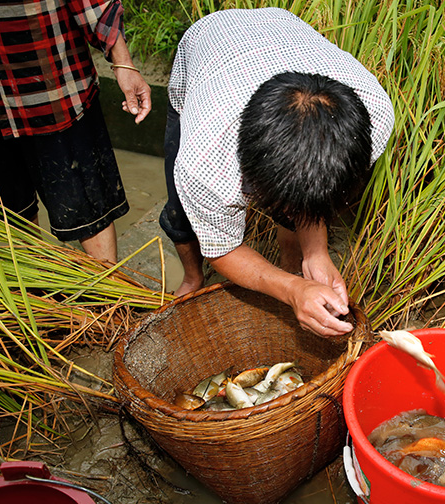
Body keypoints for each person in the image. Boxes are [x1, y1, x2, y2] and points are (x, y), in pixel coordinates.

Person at [159, 8, 394, 337]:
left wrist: (317, 254)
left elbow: (310, 195)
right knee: (179, 214)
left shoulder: (375, 117)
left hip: (279, 27)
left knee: (300, 202)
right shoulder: (204, 160)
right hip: (210, 44)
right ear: (249, 169)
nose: (294, 213)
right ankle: (192, 277)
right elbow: (223, 249)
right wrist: (292, 291)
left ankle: (292, 265)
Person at [0, 0, 151, 263]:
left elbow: (93, 5)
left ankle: (110, 294)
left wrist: (124, 65)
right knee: (2, 221)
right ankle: (30, 297)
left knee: (86, 211)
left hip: (49, 89)